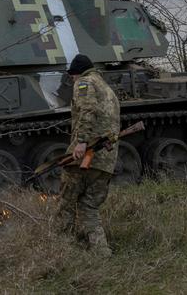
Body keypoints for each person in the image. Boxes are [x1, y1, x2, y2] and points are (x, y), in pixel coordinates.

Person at [56, 53, 121, 256]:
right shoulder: (106, 88)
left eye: (72, 76)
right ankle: (101, 252)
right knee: (89, 207)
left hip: (86, 157)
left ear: (76, 73)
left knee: (65, 204)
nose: (73, 80)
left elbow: (87, 109)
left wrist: (81, 142)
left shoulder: (84, 82)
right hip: (106, 162)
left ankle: (60, 251)